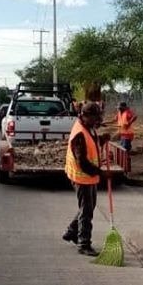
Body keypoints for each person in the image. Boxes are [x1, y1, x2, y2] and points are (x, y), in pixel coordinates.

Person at [62, 103, 104, 256]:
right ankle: (84, 244)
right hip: (82, 177)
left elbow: (91, 143)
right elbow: (83, 163)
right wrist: (101, 173)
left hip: (88, 177)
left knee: (88, 207)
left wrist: (102, 140)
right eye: (95, 117)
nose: (97, 120)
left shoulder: (88, 127)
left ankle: (72, 231)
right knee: (86, 211)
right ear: (85, 116)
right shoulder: (80, 133)